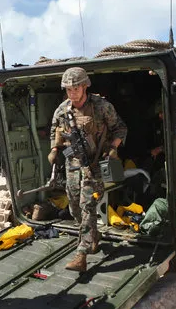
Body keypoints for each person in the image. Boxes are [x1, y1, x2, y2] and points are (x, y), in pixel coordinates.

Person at [48, 67, 127, 273]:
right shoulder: (63, 110)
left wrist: (112, 148)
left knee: (87, 206)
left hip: (95, 164)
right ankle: (93, 235)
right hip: (72, 163)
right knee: (74, 205)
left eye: (76, 88)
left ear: (85, 86)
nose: (72, 93)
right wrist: (54, 149)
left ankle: (81, 254)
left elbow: (120, 128)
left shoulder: (102, 107)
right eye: (68, 89)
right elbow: (54, 130)